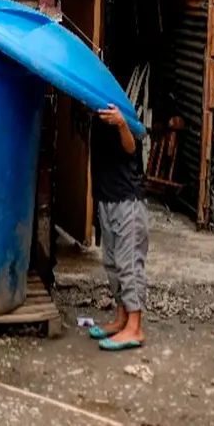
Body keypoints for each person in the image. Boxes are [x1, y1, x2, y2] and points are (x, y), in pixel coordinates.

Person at [87, 104, 149, 351]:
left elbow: (132, 148)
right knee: (112, 263)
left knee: (129, 264)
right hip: (107, 198)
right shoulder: (96, 113)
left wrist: (122, 123)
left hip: (127, 202)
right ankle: (122, 318)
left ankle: (135, 327)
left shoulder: (122, 112)